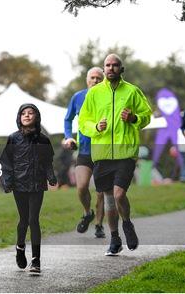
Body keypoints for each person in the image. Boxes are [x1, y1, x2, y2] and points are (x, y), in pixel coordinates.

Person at [78, 54, 152, 256]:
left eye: (115, 65)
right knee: (109, 200)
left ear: (121, 69)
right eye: (107, 65)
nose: (111, 68)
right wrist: (96, 127)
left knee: (119, 194)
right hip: (101, 155)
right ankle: (115, 238)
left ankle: (127, 224)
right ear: (104, 69)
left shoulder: (132, 91)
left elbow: (147, 115)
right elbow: (83, 121)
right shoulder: (93, 94)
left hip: (125, 153)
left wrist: (134, 117)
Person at [0, 103, 57, 274]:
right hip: (19, 184)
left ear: (36, 117)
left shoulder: (44, 140)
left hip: (37, 184)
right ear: (19, 117)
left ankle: (36, 260)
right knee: (23, 220)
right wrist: (8, 181)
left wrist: (50, 176)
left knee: (34, 220)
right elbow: (6, 162)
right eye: (23, 113)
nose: (27, 115)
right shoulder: (13, 138)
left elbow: (48, 161)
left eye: (30, 113)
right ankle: (20, 247)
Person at [63, 67, 106, 238]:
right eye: (92, 78)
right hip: (85, 150)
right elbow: (68, 119)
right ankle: (88, 213)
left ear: (103, 80)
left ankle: (99, 225)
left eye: (98, 78)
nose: (95, 80)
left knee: (101, 191)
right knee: (81, 187)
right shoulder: (78, 97)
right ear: (87, 79)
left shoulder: (107, 97)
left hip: (103, 150)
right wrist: (68, 137)